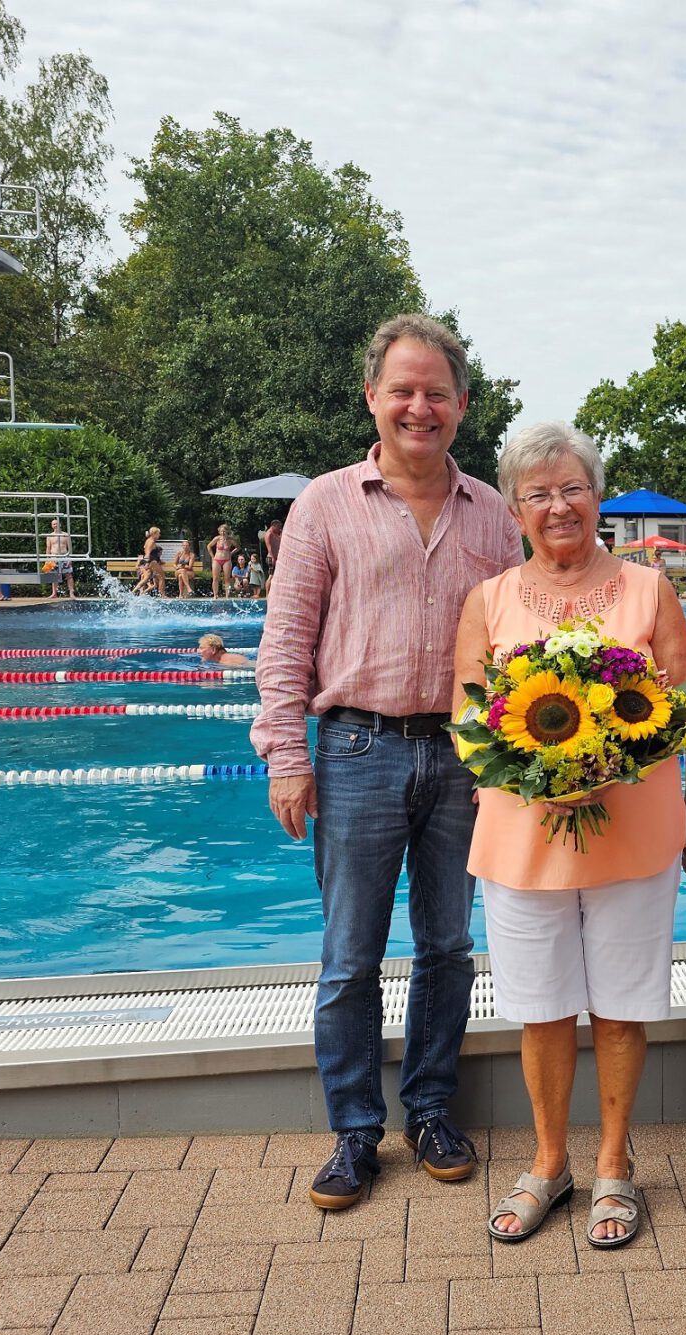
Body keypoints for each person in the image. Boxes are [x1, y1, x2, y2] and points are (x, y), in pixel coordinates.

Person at [251, 313, 522, 1211]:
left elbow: (520, 647)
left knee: (447, 946)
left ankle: (433, 1109)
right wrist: (288, 754)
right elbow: (287, 638)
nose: (419, 407)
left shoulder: (493, 512)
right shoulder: (324, 503)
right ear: (372, 397)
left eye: (435, 392)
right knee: (349, 955)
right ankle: (355, 1131)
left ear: (462, 405)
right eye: (401, 390)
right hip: (357, 748)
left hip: (461, 756)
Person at [454, 422, 686, 1250]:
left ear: (597, 495)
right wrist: (537, 770)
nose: (559, 506)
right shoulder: (488, 599)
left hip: (631, 830)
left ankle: (615, 1165)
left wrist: (613, 760)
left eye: (573, 488)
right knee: (542, 1010)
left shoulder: (648, 591)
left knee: (622, 1008)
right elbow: (467, 717)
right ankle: (551, 1161)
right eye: (538, 493)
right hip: (523, 837)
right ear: (516, 508)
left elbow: (681, 708)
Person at [44, 517, 74, 599]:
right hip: (54, 556)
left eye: (56, 523)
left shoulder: (65, 535)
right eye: (53, 524)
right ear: (51, 526)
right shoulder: (50, 536)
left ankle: (71, 592)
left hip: (64, 555)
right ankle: (54, 593)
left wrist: (70, 558)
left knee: (69, 575)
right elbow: (48, 548)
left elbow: (70, 547)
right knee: (54, 575)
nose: (55, 525)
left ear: (60, 524)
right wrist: (47, 559)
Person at [134, 527, 168, 597]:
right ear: (154, 534)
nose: (159, 535)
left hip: (151, 561)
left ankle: (133, 592)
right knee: (161, 577)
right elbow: (147, 553)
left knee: (146, 579)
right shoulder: (151, 541)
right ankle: (162, 595)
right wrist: (146, 563)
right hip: (152, 561)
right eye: (158, 533)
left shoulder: (149, 540)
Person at [209, 524, 233, 597]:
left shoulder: (230, 540)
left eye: (224, 531)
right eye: (221, 531)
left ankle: (227, 595)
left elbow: (238, 547)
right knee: (215, 578)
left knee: (227, 578)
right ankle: (215, 594)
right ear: (219, 532)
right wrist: (212, 557)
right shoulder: (217, 538)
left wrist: (231, 553)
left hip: (227, 560)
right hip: (217, 560)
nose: (223, 532)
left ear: (227, 531)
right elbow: (209, 546)